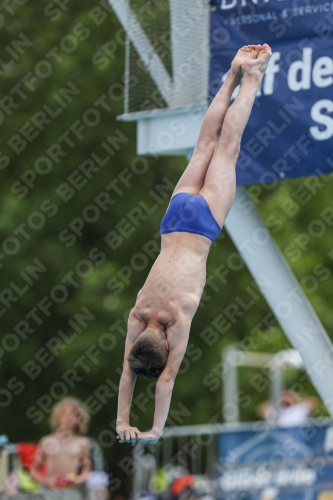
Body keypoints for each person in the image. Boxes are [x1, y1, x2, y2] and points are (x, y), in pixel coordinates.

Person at [117, 44, 273, 446]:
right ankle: (231, 76)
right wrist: (121, 421)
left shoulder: (178, 318)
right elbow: (126, 372)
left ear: (166, 345)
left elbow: (165, 378)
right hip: (174, 218)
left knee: (228, 147)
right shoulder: (137, 314)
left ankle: (252, 77)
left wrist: (154, 431)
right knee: (204, 143)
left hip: (202, 226)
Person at [30, 397, 91, 489]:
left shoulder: (82, 443)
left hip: (71, 493)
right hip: (50, 492)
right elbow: (33, 471)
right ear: (57, 416)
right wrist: (46, 481)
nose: (69, 417)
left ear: (79, 419)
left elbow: (87, 470)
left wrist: (78, 480)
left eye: (73, 414)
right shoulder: (46, 441)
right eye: (64, 413)